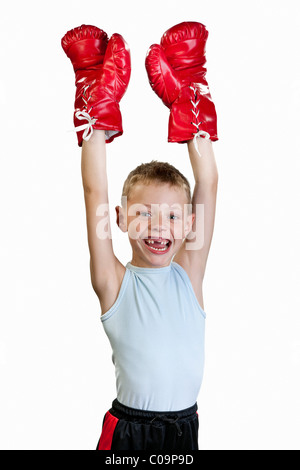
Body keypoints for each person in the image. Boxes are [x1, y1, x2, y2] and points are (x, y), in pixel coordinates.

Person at [61, 21, 218, 451]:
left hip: (186, 429)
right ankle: (93, 93)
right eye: (143, 214)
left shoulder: (190, 272)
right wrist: (96, 116)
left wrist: (193, 106)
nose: (158, 227)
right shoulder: (113, 281)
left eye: (171, 216)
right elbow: (95, 190)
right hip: (129, 433)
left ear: (188, 225)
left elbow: (209, 183)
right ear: (121, 219)